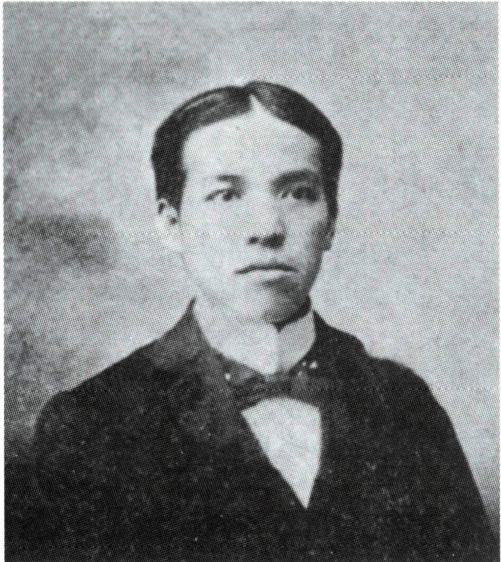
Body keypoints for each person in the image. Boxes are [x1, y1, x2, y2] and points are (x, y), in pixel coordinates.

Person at [6, 82, 496, 561]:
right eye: (226, 195)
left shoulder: (403, 403)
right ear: (171, 224)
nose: (267, 229)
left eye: (297, 193)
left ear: (331, 222)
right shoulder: (95, 423)